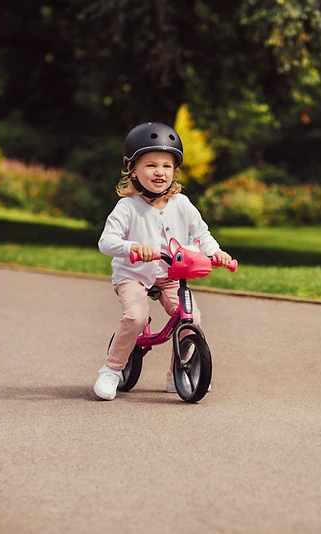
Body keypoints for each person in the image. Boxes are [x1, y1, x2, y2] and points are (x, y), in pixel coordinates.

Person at [93, 122, 233, 400]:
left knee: (190, 317)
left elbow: (201, 233)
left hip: (171, 275)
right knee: (136, 317)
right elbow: (106, 241)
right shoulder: (127, 207)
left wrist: (215, 252)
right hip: (133, 274)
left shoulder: (182, 203)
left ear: (175, 171)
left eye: (167, 166)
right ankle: (111, 370)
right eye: (151, 165)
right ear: (132, 169)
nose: (160, 172)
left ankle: (178, 373)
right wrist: (133, 247)